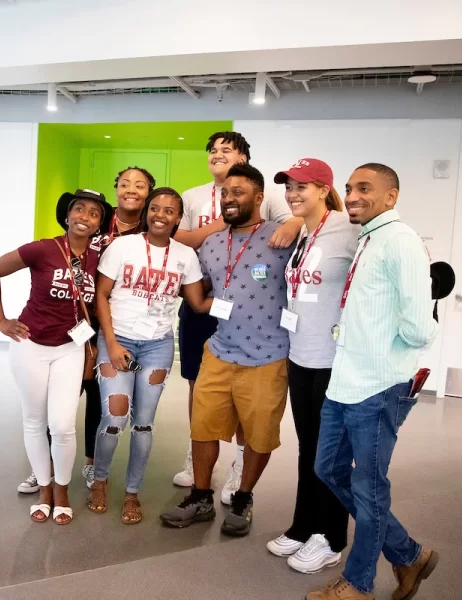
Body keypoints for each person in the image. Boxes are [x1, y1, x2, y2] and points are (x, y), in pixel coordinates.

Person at [307, 164, 439, 600]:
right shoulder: (368, 238)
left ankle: (358, 584)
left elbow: (420, 328)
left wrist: (384, 353)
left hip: (379, 385)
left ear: (391, 196)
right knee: (327, 468)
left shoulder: (400, 241)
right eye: (349, 188)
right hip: (344, 383)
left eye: (365, 188)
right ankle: (408, 553)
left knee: (368, 486)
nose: (353, 195)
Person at [160, 164, 294, 537]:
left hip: (269, 355)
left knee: (258, 434)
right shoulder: (213, 242)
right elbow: (197, 287)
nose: (229, 198)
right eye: (225, 192)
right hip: (219, 350)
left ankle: (243, 498)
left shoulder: (280, 238)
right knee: (203, 428)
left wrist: (297, 223)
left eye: (238, 192)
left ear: (258, 197)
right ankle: (201, 496)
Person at [17, 167, 155, 494]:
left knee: (98, 398)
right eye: (124, 184)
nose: (131, 190)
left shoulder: (148, 230)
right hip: (75, 326)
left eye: (139, 186)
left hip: (113, 327)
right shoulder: (98, 221)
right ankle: (44, 467)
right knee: (57, 403)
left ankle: (91, 464)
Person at [0, 190, 112, 524]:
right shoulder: (43, 248)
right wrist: (1, 320)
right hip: (30, 344)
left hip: (70, 348)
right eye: (79, 210)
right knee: (34, 420)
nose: (85, 217)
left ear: (100, 223)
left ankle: (62, 490)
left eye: (94, 213)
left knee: (61, 424)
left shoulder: (101, 259)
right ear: (67, 215)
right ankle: (44, 490)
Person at [87, 188, 206, 525]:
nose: (160, 215)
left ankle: (132, 492)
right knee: (114, 417)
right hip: (118, 340)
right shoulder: (122, 247)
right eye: (155, 208)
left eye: (169, 211)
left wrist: (244, 298)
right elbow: (102, 294)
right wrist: (110, 343)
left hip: (157, 346)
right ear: (146, 212)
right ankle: (99, 479)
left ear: (178, 218)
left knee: (142, 424)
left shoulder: (186, 255)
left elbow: (198, 302)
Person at [262, 159, 357, 575]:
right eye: (288, 187)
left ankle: (332, 538)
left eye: (302, 186)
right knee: (308, 448)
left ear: (323, 189)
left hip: (334, 359)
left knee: (330, 454)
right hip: (301, 354)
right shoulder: (301, 231)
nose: (293, 193)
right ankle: (305, 525)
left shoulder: (349, 229)